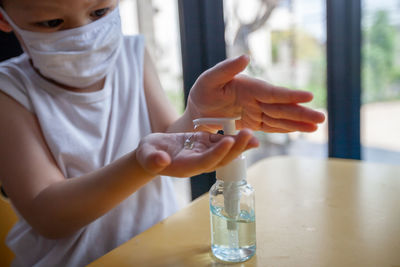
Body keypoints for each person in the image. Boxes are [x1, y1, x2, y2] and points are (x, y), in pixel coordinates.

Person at [0, 0, 325, 266]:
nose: (83, 35)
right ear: (5, 19)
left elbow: (172, 138)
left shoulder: (132, 55)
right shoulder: (9, 91)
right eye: (52, 23)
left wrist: (198, 114)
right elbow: (48, 215)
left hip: (159, 251)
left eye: (100, 12)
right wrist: (140, 164)